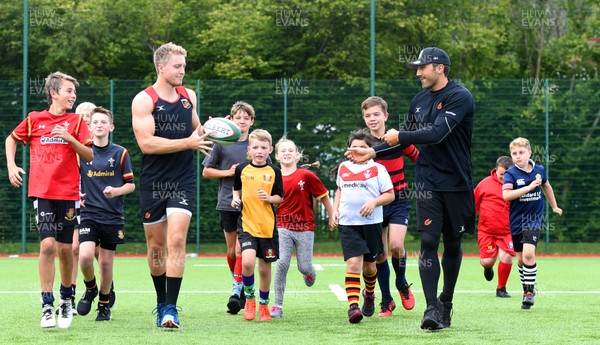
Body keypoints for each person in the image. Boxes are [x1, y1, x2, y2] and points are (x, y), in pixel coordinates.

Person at [345, 47, 475, 330]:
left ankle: (446, 304)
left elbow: (438, 133)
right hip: (428, 183)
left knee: (452, 244)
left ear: (439, 68)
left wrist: (400, 135)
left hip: (457, 184)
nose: (418, 73)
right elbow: (402, 142)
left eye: (422, 68)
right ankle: (431, 309)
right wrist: (373, 152)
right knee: (428, 242)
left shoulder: (459, 96)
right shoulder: (418, 100)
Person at [131, 42, 212, 329]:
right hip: (153, 181)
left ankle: (171, 309)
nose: (182, 70)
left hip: (182, 179)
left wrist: (216, 129)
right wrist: (188, 142)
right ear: (161, 67)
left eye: (184, 66)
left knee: (176, 241)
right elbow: (147, 143)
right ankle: (160, 300)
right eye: (177, 66)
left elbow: (197, 132)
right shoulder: (144, 100)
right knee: (155, 248)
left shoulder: (189, 95)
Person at [5, 71, 93, 329]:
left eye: (74, 92)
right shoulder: (34, 120)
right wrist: (12, 165)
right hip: (42, 192)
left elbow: (88, 156)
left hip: (68, 194)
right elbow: (11, 138)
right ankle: (46, 305)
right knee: (47, 246)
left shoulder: (76, 122)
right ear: (54, 93)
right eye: (69, 91)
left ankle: (66, 299)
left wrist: (70, 139)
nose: (73, 95)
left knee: (66, 249)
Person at [360, 96, 419, 317]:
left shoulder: (397, 138)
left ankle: (402, 283)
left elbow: (418, 158)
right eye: (367, 115)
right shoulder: (363, 143)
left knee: (396, 245)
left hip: (399, 199)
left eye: (376, 114)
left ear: (385, 115)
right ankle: (386, 300)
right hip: (374, 203)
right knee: (379, 255)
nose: (372, 119)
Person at [76, 107, 135, 321]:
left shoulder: (120, 153)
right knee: (84, 257)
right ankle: (90, 288)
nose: (99, 125)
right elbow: (73, 179)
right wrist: (77, 193)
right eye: (95, 122)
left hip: (112, 216)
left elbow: (131, 185)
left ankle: (103, 304)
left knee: (106, 263)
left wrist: (116, 191)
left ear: (111, 127)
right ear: (89, 127)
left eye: (103, 122)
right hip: (89, 213)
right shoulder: (82, 151)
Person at [330, 130, 395, 324]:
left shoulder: (378, 169)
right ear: (348, 149)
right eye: (354, 146)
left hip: (372, 224)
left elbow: (390, 195)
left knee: (369, 267)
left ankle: (369, 294)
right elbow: (340, 190)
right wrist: (335, 210)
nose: (358, 150)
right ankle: (353, 307)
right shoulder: (343, 167)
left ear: (371, 150)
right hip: (349, 224)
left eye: (363, 147)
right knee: (353, 264)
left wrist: (374, 202)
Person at [270, 138, 334, 319]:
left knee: (304, 266)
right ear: (277, 156)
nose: (287, 153)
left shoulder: (306, 175)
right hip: (283, 226)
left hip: (305, 227)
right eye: (283, 151)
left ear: (297, 155)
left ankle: (309, 273)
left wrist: (332, 215)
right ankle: (277, 305)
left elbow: (323, 196)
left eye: (291, 150)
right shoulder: (274, 176)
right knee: (282, 263)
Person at [202, 101, 255, 314]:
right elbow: (206, 172)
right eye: (238, 117)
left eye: (246, 118)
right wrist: (228, 173)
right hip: (226, 202)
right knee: (232, 252)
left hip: (251, 205)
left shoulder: (256, 144)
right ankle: (240, 286)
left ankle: (237, 289)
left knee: (241, 249)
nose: (241, 121)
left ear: (251, 121)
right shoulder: (220, 143)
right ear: (231, 120)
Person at [502, 137, 562, 309]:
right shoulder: (511, 174)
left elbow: (546, 186)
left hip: (533, 220)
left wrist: (554, 206)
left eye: (521, 152)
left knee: (528, 255)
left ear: (529, 153)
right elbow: (506, 196)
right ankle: (527, 289)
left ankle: (528, 293)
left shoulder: (539, 170)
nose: (518, 156)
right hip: (516, 222)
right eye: (514, 153)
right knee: (520, 260)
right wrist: (528, 188)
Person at [231, 129, 283, 322]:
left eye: (263, 147)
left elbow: (279, 197)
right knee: (247, 263)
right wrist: (235, 200)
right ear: (249, 149)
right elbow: (236, 189)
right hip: (246, 225)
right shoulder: (241, 169)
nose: (259, 151)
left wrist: (269, 198)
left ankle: (263, 304)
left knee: (264, 267)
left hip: (267, 228)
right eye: (255, 147)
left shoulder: (274, 171)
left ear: (270, 149)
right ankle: (250, 300)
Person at [69, 101, 97, 315]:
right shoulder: (70, 143)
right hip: (72, 199)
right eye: (82, 114)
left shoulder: (102, 147)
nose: (86, 118)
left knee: (97, 251)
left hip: (96, 203)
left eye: (90, 114)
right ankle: (69, 294)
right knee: (74, 248)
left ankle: (105, 285)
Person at [474, 156, 515, 298]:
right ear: (495, 170)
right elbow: (474, 205)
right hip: (486, 232)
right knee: (487, 261)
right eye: (501, 174)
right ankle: (488, 268)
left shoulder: (516, 185)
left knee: (507, 257)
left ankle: (501, 288)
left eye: (507, 175)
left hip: (507, 231)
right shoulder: (484, 184)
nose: (504, 177)